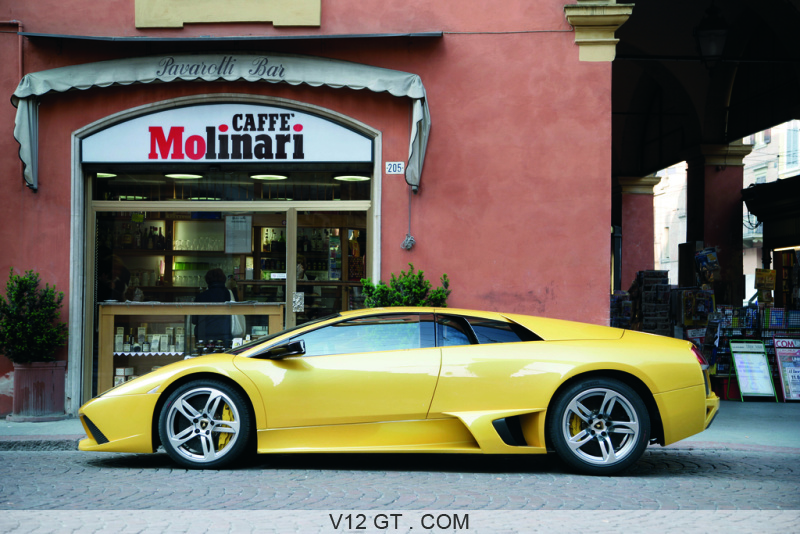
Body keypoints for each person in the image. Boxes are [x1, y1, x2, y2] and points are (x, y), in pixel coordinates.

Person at [192, 268, 235, 349]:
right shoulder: (230, 295)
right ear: (224, 279)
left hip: (204, 336)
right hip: (225, 335)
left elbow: (194, 320)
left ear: (207, 281)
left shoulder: (201, 296)